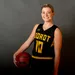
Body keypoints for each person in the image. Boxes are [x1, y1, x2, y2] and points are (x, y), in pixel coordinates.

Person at [13, 3, 62, 75]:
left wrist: (55, 72)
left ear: (53, 13)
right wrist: (16, 53)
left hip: (46, 64)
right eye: (43, 12)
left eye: (48, 12)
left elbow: (57, 55)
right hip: (34, 63)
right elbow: (27, 42)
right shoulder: (37, 27)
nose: (45, 15)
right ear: (41, 14)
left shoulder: (56, 31)